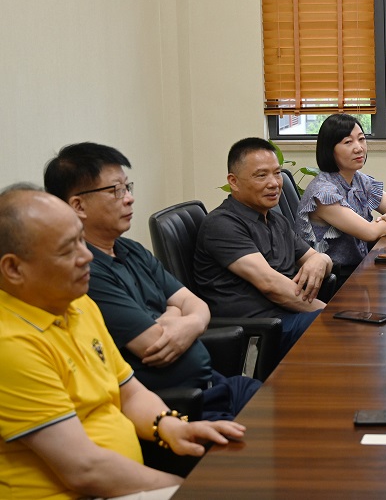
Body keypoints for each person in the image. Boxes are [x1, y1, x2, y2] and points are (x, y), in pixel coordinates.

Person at [0, 186, 244, 500]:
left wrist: (171, 427)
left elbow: (129, 393)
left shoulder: (78, 304)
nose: (87, 256)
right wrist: (185, 489)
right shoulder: (11, 345)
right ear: (13, 268)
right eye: (67, 250)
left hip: (124, 482)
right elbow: (84, 470)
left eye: (81, 240)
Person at [43, 142, 261, 421]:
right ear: (78, 205)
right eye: (116, 190)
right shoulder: (85, 272)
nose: (129, 199)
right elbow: (152, 344)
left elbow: (196, 304)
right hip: (174, 407)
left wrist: (181, 317)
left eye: (127, 187)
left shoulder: (130, 249)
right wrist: (178, 312)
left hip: (215, 385)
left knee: (287, 405)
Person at [194, 138, 334, 359]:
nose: (274, 183)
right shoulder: (223, 224)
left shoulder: (276, 220)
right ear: (234, 181)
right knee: (342, 329)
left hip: (289, 315)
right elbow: (271, 286)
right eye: (261, 175)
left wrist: (320, 260)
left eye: (277, 173)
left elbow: (317, 260)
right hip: (260, 330)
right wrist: (331, 313)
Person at [296, 114, 386, 277]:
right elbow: (370, 233)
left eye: (361, 139)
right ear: (329, 149)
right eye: (348, 142)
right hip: (333, 278)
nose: (359, 148)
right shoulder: (323, 193)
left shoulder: (359, 180)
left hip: (359, 267)